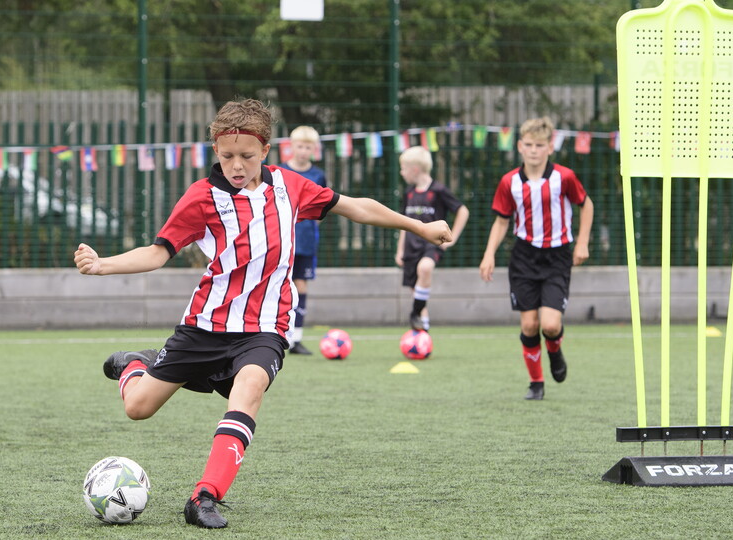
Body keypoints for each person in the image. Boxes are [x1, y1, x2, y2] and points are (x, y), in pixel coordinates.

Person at [73, 98, 452, 529]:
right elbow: (158, 252)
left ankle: (205, 497)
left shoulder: (290, 186)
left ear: (266, 150)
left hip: (265, 328)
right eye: (227, 156)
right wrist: (103, 265)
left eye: (247, 156)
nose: (237, 165)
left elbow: (357, 207)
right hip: (206, 325)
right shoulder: (202, 197)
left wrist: (419, 227)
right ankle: (135, 364)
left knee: (250, 386)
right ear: (215, 151)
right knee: (138, 408)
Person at [479, 117, 594, 400]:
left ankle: (554, 350)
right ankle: (536, 383)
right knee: (530, 325)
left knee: (550, 325)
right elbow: (502, 221)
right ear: (520, 146)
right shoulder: (509, 182)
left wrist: (582, 242)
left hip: (557, 256)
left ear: (550, 148)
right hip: (524, 257)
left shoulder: (564, 177)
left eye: (539, 145)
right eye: (528, 145)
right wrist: (489, 253)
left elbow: (586, 204)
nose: (533, 150)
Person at [394, 146, 469, 331]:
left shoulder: (438, 190)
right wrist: (400, 249)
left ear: (415, 169)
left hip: (431, 245)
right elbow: (404, 222)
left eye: (403, 168)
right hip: (411, 246)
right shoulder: (408, 193)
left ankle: (414, 314)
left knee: (425, 268)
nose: (401, 173)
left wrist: (452, 238)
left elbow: (462, 211)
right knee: (417, 291)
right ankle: (423, 331)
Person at [279, 126, 327, 355]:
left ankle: (296, 338)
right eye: (300, 146)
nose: (303, 151)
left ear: (314, 149)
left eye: (308, 147)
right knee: (278, 285)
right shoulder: (280, 172)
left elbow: (323, 206)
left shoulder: (318, 175)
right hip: (281, 239)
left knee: (301, 285)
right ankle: (274, 334)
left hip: (306, 241)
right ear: (291, 146)